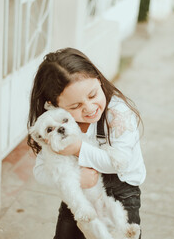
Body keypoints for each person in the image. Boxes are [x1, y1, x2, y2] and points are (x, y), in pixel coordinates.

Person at [27, 47, 146, 239]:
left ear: (98, 80)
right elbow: (40, 171)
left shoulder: (117, 113)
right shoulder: (56, 125)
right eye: (75, 106)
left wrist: (78, 149)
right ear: (54, 106)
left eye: (92, 95)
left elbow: (121, 161)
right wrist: (71, 179)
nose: (90, 108)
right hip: (79, 193)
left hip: (122, 192)